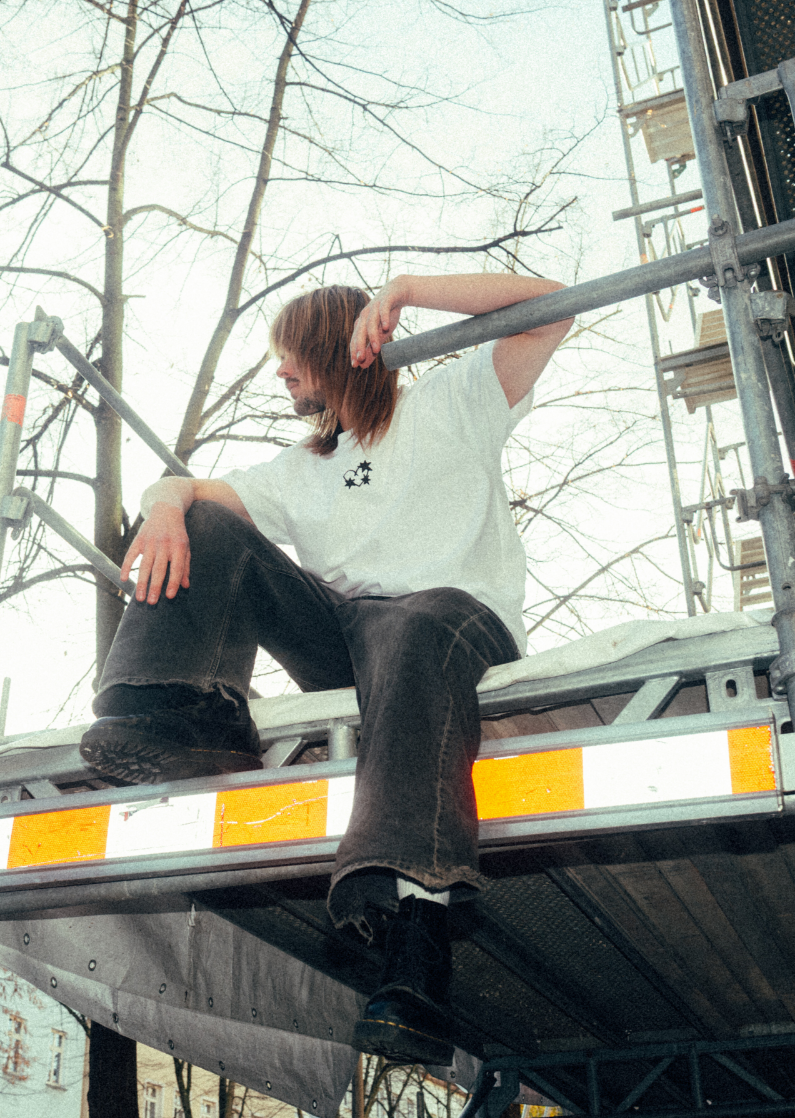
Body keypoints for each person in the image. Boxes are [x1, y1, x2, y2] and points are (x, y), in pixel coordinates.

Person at [80, 272, 573, 1065]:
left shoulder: (454, 403)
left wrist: (410, 290)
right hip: (347, 639)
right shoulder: (303, 466)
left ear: (337, 347)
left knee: (411, 625)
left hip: (450, 623)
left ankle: (417, 940)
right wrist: (166, 507)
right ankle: (174, 712)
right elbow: (181, 485)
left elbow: (553, 306)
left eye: (291, 357)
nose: (280, 374)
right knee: (207, 519)